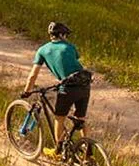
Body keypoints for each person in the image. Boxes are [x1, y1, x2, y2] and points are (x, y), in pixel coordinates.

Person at [23, 21, 91, 155]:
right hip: (84, 85)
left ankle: (57, 151)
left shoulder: (42, 50)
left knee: (59, 118)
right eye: (66, 35)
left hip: (68, 88)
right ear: (61, 35)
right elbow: (73, 60)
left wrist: (27, 91)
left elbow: (33, 75)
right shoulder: (70, 47)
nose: (67, 38)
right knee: (81, 119)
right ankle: (88, 152)